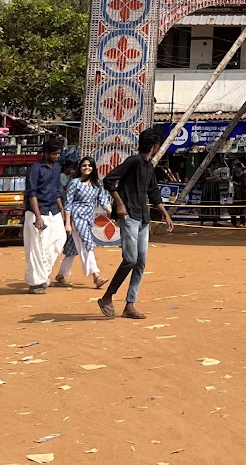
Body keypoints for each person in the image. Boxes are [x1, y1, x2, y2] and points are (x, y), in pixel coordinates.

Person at [100, 124, 175, 320]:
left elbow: (153, 192)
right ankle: (107, 297)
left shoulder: (149, 166)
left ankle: (130, 304)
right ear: (154, 146)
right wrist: (120, 204)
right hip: (130, 216)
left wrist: (164, 214)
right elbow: (109, 180)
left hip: (143, 219)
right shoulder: (133, 162)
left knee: (140, 262)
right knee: (130, 260)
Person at [56, 156, 110, 289]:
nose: (87, 168)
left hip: (88, 218)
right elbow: (68, 203)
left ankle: (61, 275)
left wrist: (111, 211)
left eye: (89, 165)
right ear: (80, 168)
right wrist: (67, 223)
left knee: (73, 248)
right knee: (87, 244)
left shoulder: (97, 183)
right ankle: (96, 275)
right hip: (76, 216)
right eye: (84, 165)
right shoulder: (74, 183)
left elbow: (103, 199)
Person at [23, 137, 67, 293]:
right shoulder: (35, 168)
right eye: (54, 154)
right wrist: (38, 217)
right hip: (37, 211)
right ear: (46, 153)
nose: (56, 156)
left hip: (53, 210)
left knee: (59, 240)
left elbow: (56, 191)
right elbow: (32, 193)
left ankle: (43, 275)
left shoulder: (57, 168)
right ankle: (35, 283)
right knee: (36, 247)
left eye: (58, 154)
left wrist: (61, 212)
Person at [230, 160, 246, 227]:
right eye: (235, 168)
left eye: (237, 168)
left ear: (240, 168)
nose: (236, 169)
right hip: (235, 194)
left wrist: (238, 184)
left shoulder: (244, 175)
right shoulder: (234, 175)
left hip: (242, 194)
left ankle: (242, 222)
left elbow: (245, 184)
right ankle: (233, 222)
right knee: (234, 208)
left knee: (242, 208)